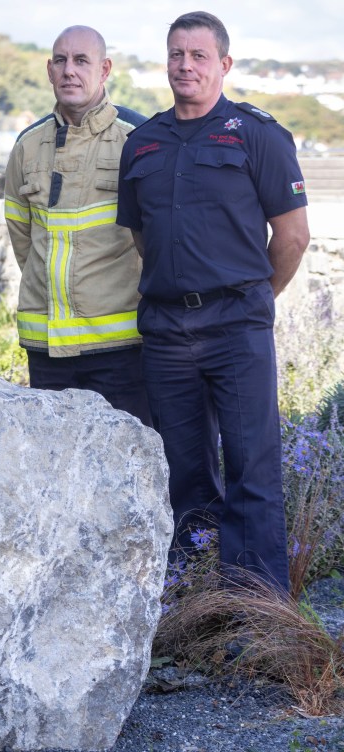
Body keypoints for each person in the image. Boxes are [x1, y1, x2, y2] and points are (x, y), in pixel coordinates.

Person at [116, 12, 310, 592]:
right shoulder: (142, 142)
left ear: (224, 64)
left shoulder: (258, 135)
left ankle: (258, 611)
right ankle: (197, 598)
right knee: (182, 469)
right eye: (176, 54)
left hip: (237, 327)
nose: (185, 66)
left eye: (199, 56)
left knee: (252, 468)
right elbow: (141, 236)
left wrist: (253, 298)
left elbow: (294, 236)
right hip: (168, 331)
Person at [4, 26, 151, 425]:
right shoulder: (27, 146)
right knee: (53, 475)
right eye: (60, 60)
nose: (70, 70)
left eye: (81, 61)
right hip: (47, 350)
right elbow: (24, 239)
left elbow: (155, 242)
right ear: (49, 70)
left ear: (104, 69)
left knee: (126, 473)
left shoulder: (138, 139)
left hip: (120, 348)